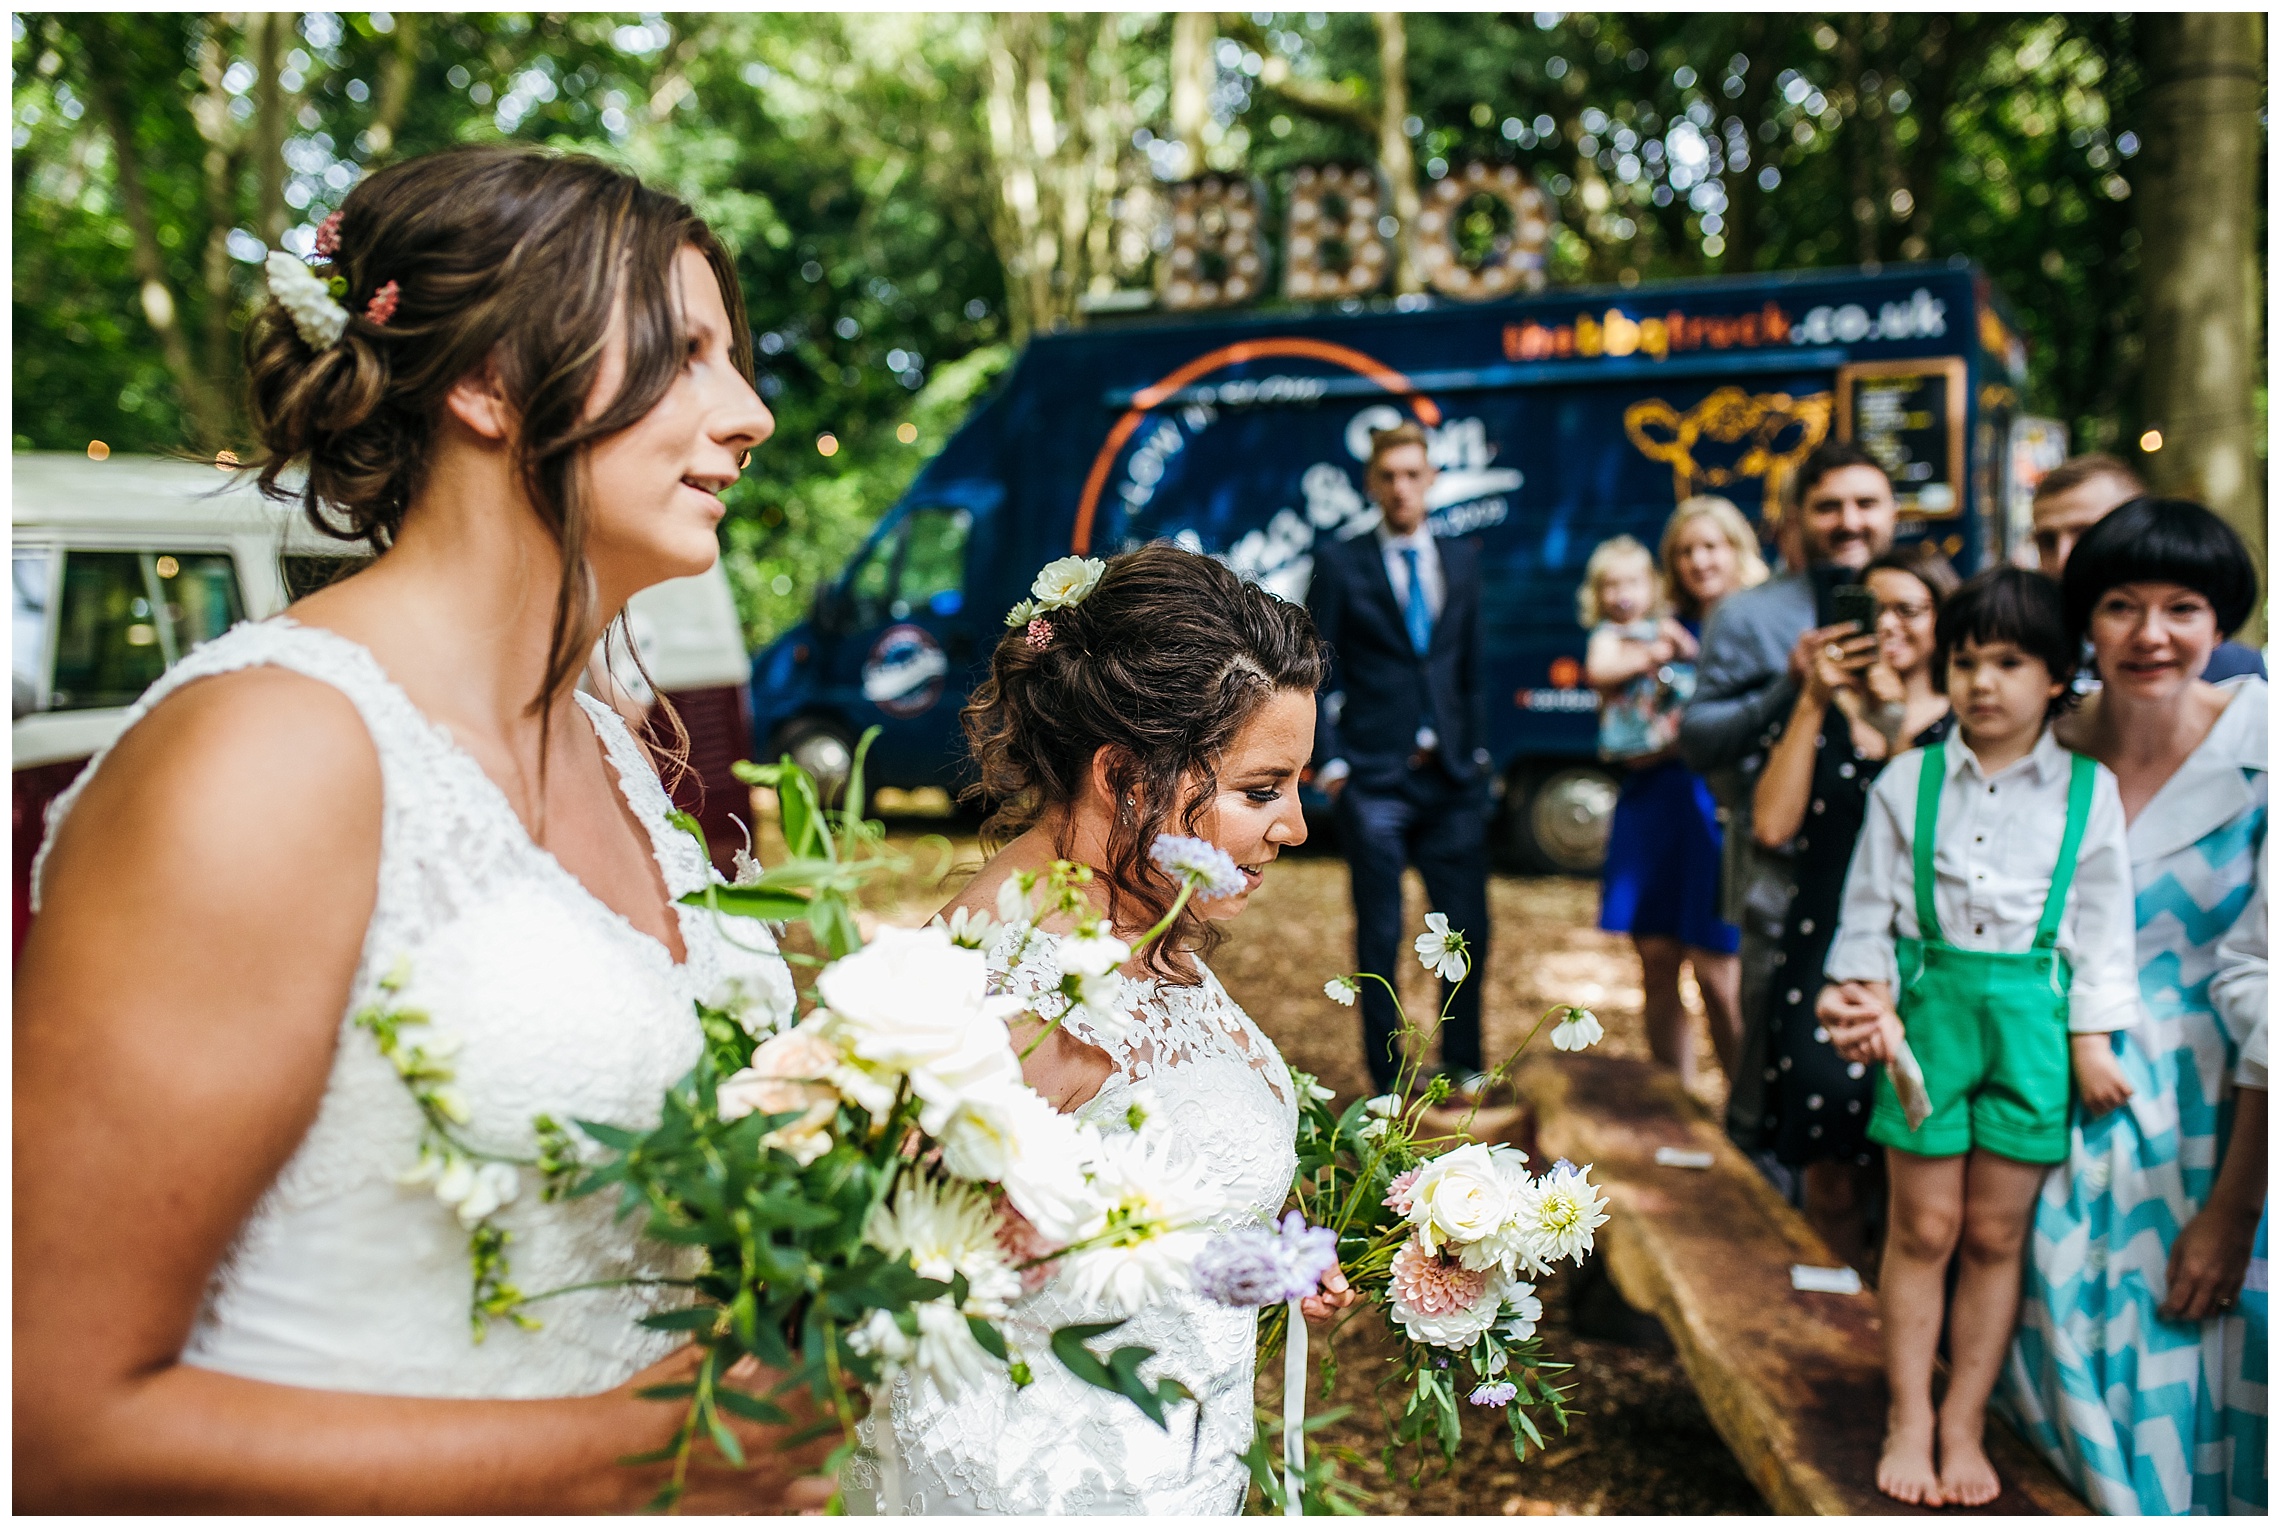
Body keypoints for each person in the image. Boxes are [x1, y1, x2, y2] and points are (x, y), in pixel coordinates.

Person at [13, 148, 831, 1510]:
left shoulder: (615, 749)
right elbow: (45, 1426)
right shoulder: (269, 755)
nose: (746, 413)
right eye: (685, 355)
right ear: (488, 384)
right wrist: (640, 1457)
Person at [851, 544, 1356, 1514]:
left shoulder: (1133, 922)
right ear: (1125, 772)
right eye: (1262, 789)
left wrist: (1260, 1247)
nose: (1294, 824)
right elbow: (886, 1286)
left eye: (1295, 785)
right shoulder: (1019, 995)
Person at [1819, 567, 2140, 1507]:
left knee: (1997, 1234)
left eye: (2010, 662)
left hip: (2036, 1029)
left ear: (2056, 679)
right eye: (1966, 662)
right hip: (1929, 1022)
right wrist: (1862, 998)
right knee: (1924, 1225)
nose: (1983, 683)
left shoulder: (2091, 792)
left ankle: (1966, 1419)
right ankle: (1909, 1412)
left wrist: (2092, 1039)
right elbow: (1867, 913)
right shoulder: (1908, 780)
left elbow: (2102, 928)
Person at [1999, 497, 2269, 1515]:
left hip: (2218, 1115)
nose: (2151, 635)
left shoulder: (2265, 748)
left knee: (2196, 1358)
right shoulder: (2041, 747)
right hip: (2052, 1092)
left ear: (2222, 622)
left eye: (2184, 607)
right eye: (2120, 605)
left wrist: (2236, 1209)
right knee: (2050, 1345)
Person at [1679, 441, 1898, 1150]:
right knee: (1768, 1075)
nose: (1849, 521)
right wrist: (1790, 685)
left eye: (1866, 503)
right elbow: (1700, 739)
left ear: (1893, 512)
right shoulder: (1750, 616)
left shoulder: (1924, 605)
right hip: (1783, 871)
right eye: (1829, 505)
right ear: (1797, 518)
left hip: (1901, 879)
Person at [1752, 547, 1957, 1267]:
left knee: (1913, 1177)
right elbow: (1773, 826)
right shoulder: (1825, 710)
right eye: (1876, 609)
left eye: (1911, 608)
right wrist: (1813, 696)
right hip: (1824, 955)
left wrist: (1900, 713)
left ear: (1943, 620)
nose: (1892, 625)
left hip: (1935, 969)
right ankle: (1842, 1322)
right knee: (1830, 1176)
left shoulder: (1966, 720)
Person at [1309, 422, 1492, 1096]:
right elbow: (1315, 668)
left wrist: (1478, 753)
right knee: (1381, 933)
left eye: (1414, 475)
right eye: (1389, 476)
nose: (1401, 488)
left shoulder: (1463, 559)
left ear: (1432, 480)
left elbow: (1471, 666)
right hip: (1373, 778)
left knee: (1467, 928)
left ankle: (1466, 1063)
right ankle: (1387, 1084)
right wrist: (1330, 764)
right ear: (1372, 483)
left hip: (1451, 778)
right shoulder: (1341, 561)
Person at [1588, 499, 1764, 1091]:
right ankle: (1678, 1106)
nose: (1698, 560)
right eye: (1685, 551)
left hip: (1721, 810)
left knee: (1720, 971)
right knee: (1658, 964)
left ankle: (1746, 1120)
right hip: (1652, 804)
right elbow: (1614, 708)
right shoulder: (1660, 631)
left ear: (1737, 550)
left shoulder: (1759, 625)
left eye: (1711, 546)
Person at [2030, 453, 2265, 682]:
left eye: (2086, 535)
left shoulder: (2240, 675)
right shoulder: (2026, 654)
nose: (2063, 557)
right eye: (2047, 541)